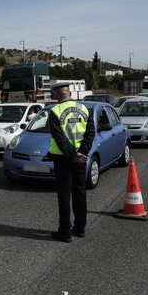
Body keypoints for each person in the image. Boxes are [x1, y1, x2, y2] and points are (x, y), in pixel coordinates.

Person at [47, 81, 95, 243]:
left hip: (63, 159)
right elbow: (90, 134)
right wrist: (81, 154)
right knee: (80, 193)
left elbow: (59, 138)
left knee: (64, 195)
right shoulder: (85, 109)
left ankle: (65, 231)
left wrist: (72, 155)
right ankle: (80, 228)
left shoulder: (54, 111)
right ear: (70, 94)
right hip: (81, 158)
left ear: (56, 96)